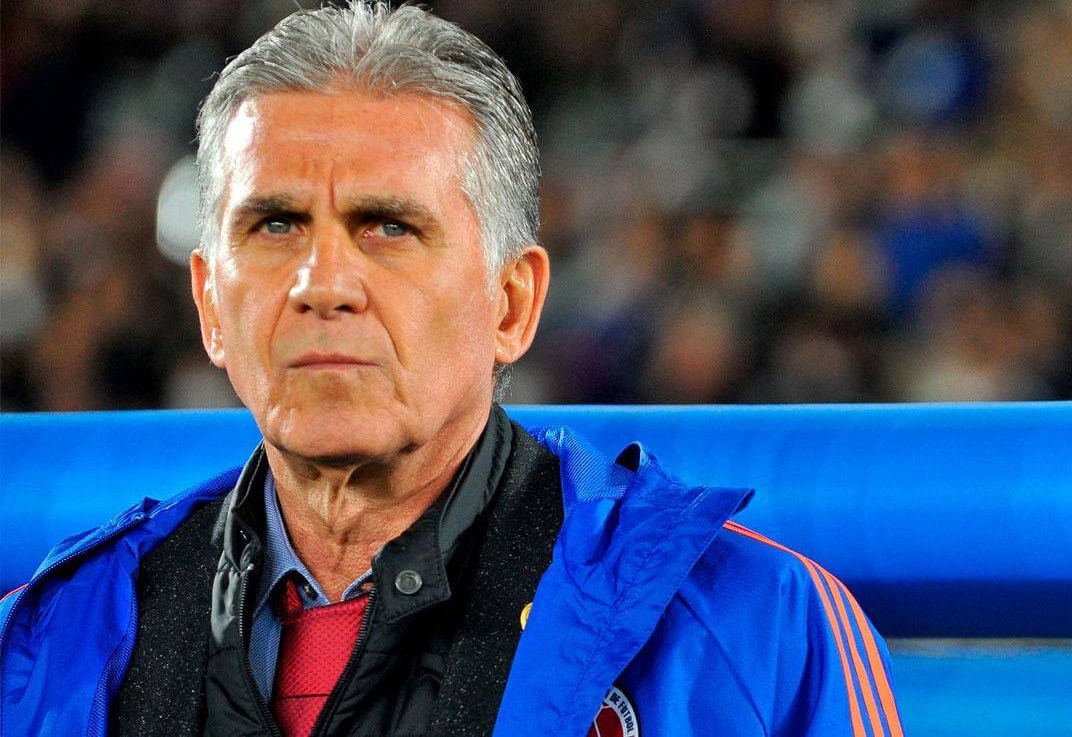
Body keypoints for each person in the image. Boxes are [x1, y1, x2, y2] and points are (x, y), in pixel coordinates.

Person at [0, 4, 902, 736]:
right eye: (275, 224)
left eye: (388, 226)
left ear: (511, 303)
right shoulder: (45, 647)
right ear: (209, 302)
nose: (322, 284)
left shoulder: (759, 630)